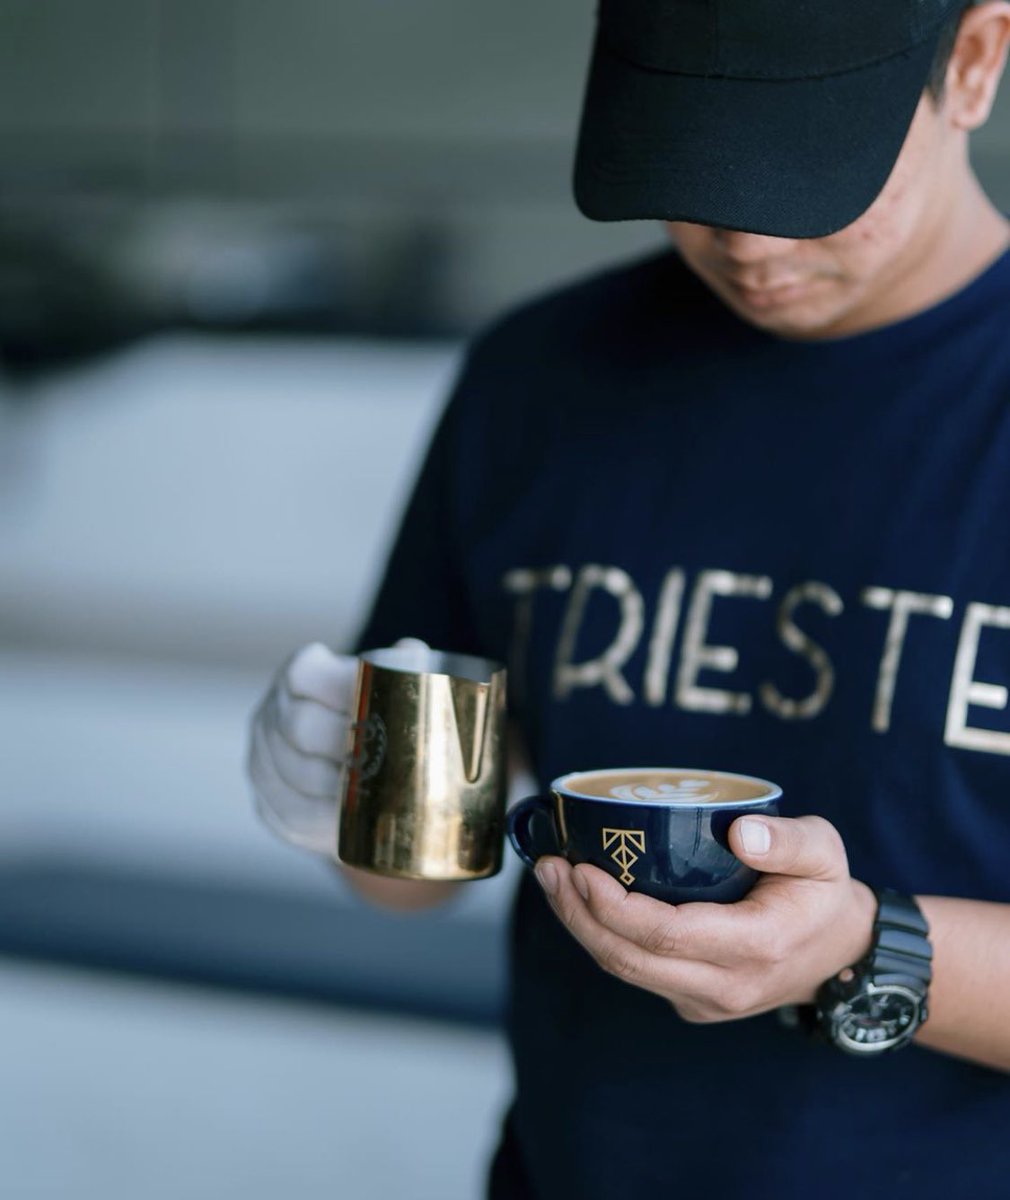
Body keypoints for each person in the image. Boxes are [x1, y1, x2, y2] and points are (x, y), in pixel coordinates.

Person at [247, 1, 1010, 1195]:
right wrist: (333, 794)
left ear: (969, 63)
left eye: (809, 172)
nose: (746, 240)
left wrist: (864, 950)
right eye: (691, 174)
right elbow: (411, 870)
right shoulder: (538, 379)